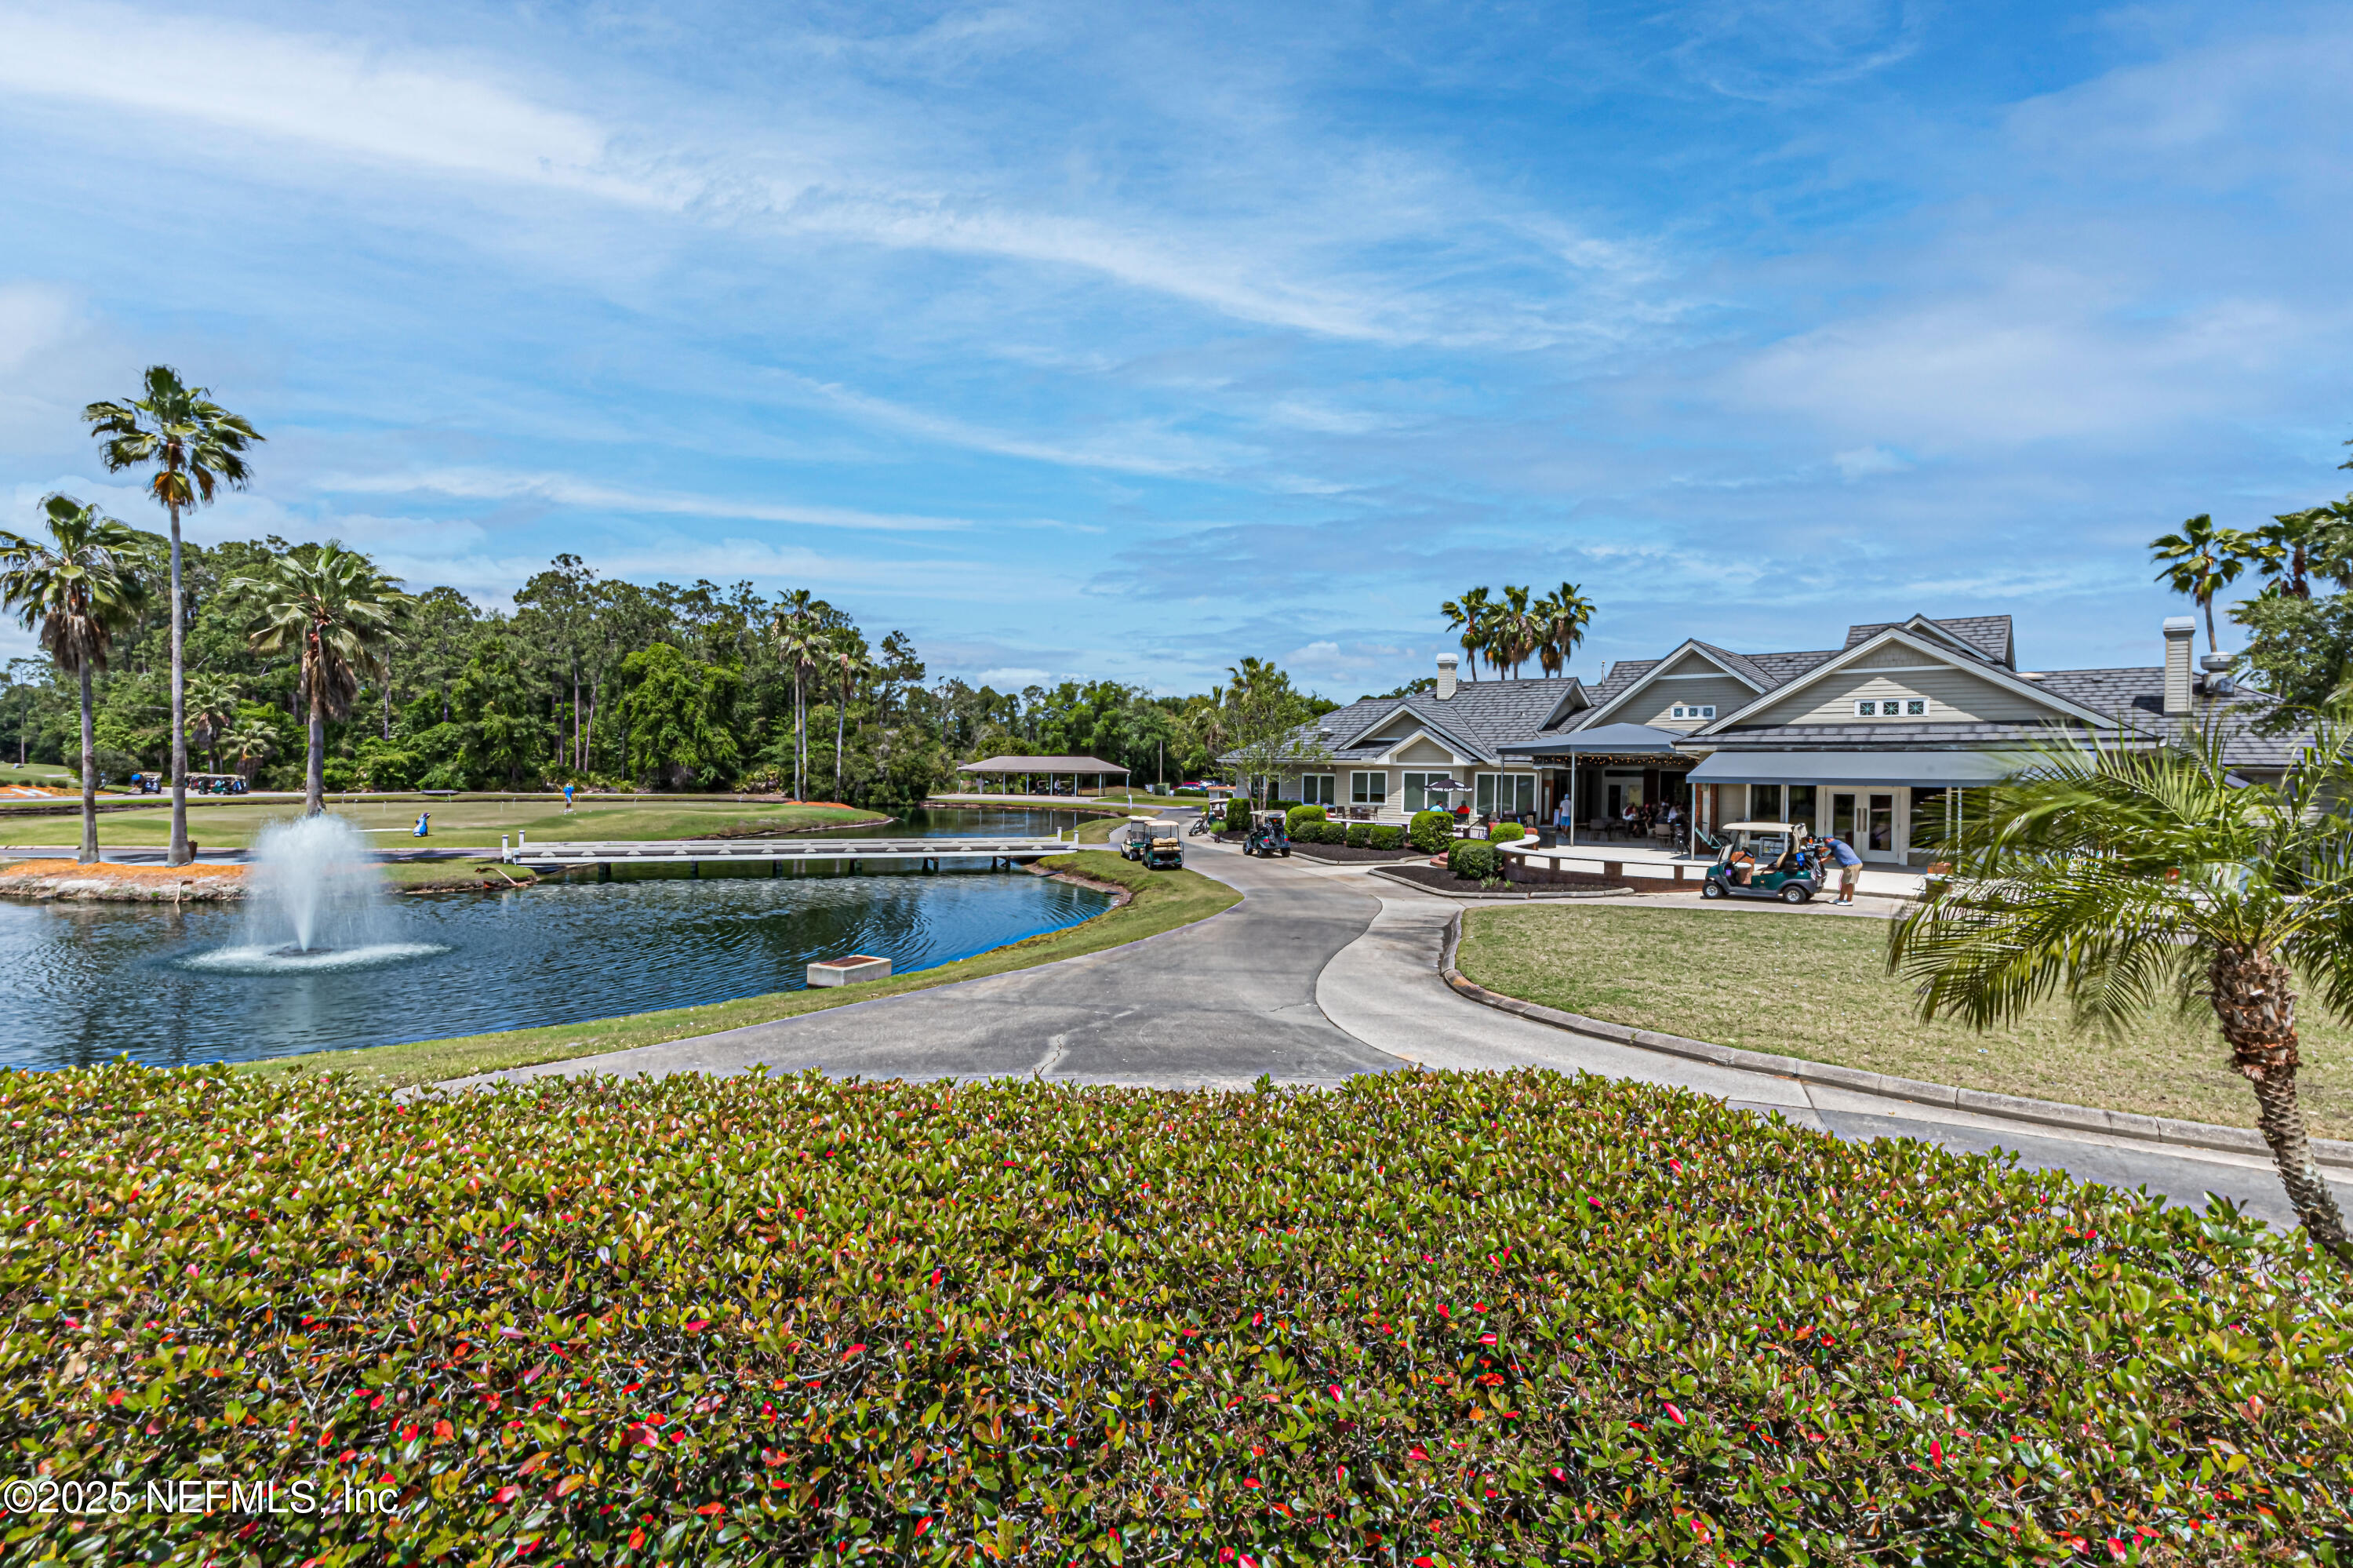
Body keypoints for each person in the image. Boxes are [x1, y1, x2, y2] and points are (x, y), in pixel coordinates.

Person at [1824, 833, 1863, 904]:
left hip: (1852, 865)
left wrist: (1816, 849)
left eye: (1825, 842)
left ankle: (1849, 901)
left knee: (1849, 883)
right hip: (1851, 865)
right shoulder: (1836, 847)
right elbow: (1826, 859)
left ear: (1829, 839)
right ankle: (1841, 899)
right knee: (1844, 883)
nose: (1825, 843)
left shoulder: (1834, 843)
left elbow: (1823, 850)